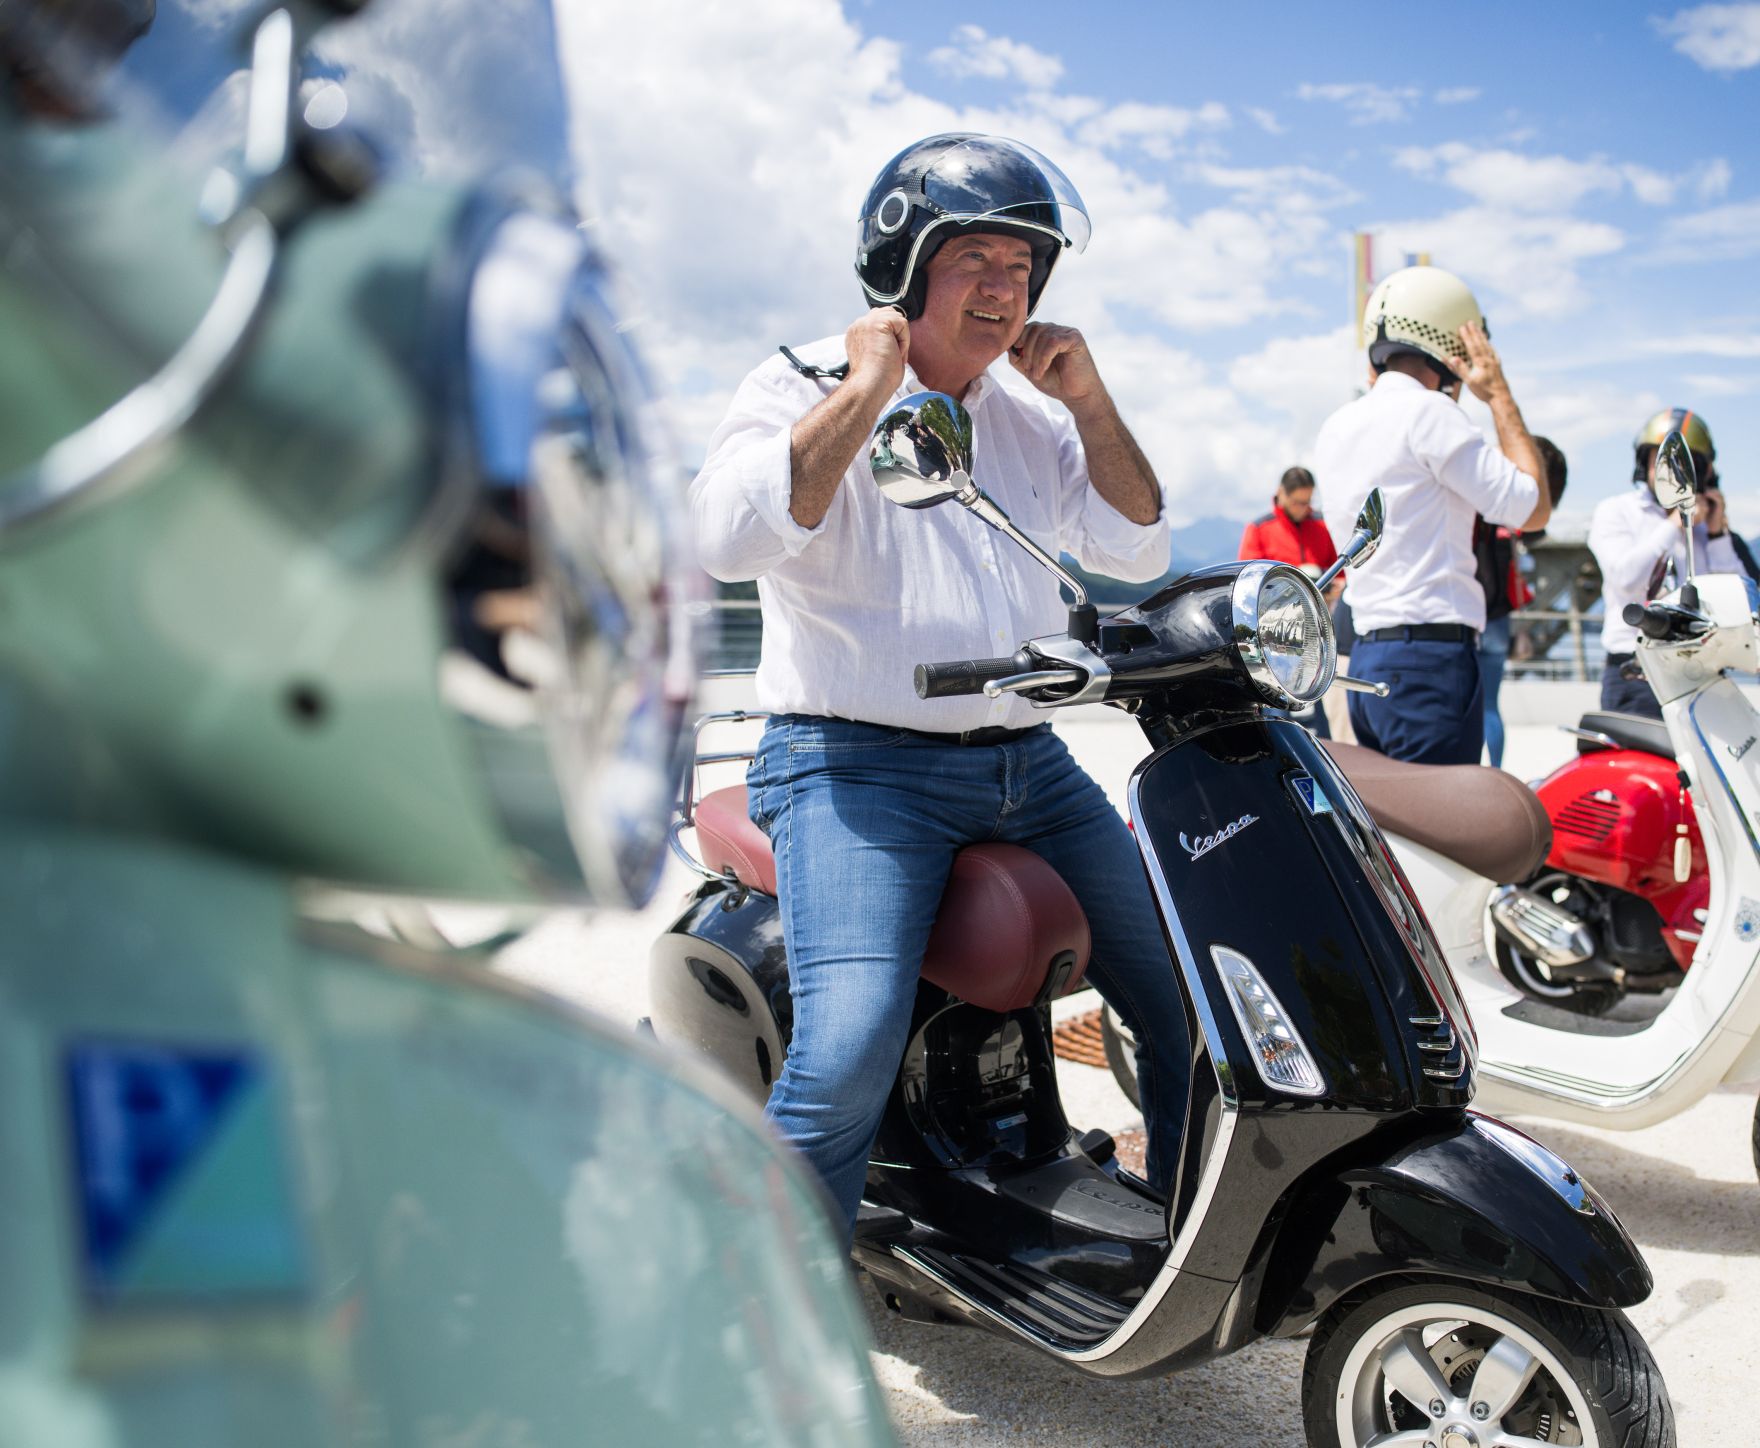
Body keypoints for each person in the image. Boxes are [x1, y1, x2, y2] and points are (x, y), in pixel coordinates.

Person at [689, 133, 1190, 1240]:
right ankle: (766, 1323)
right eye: (975, 259)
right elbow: (724, 535)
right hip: (854, 761)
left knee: (1177, 982)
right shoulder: (799, 382)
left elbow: (1138, 546)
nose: (1003, 289)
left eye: (1022, 267)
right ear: (904, 267)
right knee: (850, 1038)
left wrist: (1091, 398)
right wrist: (868, 389)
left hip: (1028, 761)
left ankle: (1179, 1230)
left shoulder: (1029, 414)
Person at [1315, 265, 1551, 765]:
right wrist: (1498, 394)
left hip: (1367, 655)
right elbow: (1531, 507)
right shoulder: (1431, 414)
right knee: (1447, 835)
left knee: (1392, 833)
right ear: (1451, 341)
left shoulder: (1338, 426)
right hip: (1430, 660)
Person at [1588, 408, 1757, 719]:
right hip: (1637, 670)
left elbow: (1743, 599)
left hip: (1704, 672)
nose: (1674, 472)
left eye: (1687, 464)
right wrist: (1674, 525)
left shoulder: (1711, 528)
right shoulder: (1616, 511)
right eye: (1661, 461)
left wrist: (1719, 534)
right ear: (1645, 464)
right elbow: (1625, 578)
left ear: (1705, 471)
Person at [1477, 436, 1567, 766]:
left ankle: (1469, 772)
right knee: (1491, 705)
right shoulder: (1511, 526)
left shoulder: (1479, 517)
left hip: (1472, 619)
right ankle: (1497, 770)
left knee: (1467, 706)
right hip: (1501, 622)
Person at [1239, 466, 1340, 736]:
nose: (1303, 509)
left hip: (1315, 637)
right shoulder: (1260, 529)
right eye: (1298, 502)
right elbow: (1247, 582)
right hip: (1274, 638)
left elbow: (1340, 573)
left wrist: (1332, 589)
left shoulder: (1321, 526)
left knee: (1319, 714)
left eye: (1308, 502)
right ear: (1280, 494)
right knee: (1276, 711)